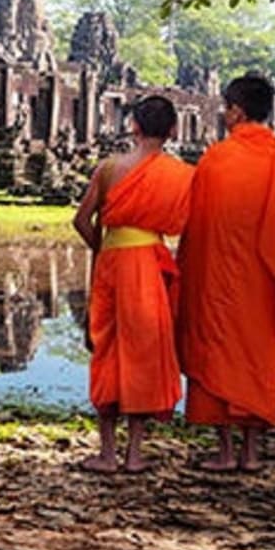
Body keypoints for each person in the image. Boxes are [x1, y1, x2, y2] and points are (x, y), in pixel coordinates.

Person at [175, 73, 275, 472]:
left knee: (215, 353)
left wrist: (187, 272)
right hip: (265, 282)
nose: (225, 114)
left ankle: (225, 452)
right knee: (256, 359)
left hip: (218, 277)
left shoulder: (217, 158)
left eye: (226, 107)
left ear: (237, 111)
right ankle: (251, 452)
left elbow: (199, 225)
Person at [71, 95, 194, 473]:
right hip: (150, 264)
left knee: (107, 348)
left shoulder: (109, 168)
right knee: (142, 352)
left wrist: (106, 247)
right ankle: (134, 454)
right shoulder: (182, 174)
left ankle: (107, 454)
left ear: (134, 127)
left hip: (113, 263)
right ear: (174, 130)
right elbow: (186, 224)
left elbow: (81, 220)